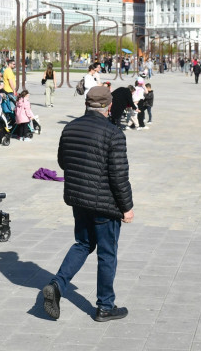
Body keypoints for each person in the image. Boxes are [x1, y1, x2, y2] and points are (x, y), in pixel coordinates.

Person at [42, 86, 134, 322]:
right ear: (109, 106)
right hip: (104, 204)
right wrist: (127, 207)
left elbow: (63, 162)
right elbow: (119, 176)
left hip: (78, 199)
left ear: (86, 104)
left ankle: (57, 284)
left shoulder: (70, 127)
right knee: (107, 253)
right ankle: (105, 306)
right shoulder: (114, 133)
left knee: (82, 243)